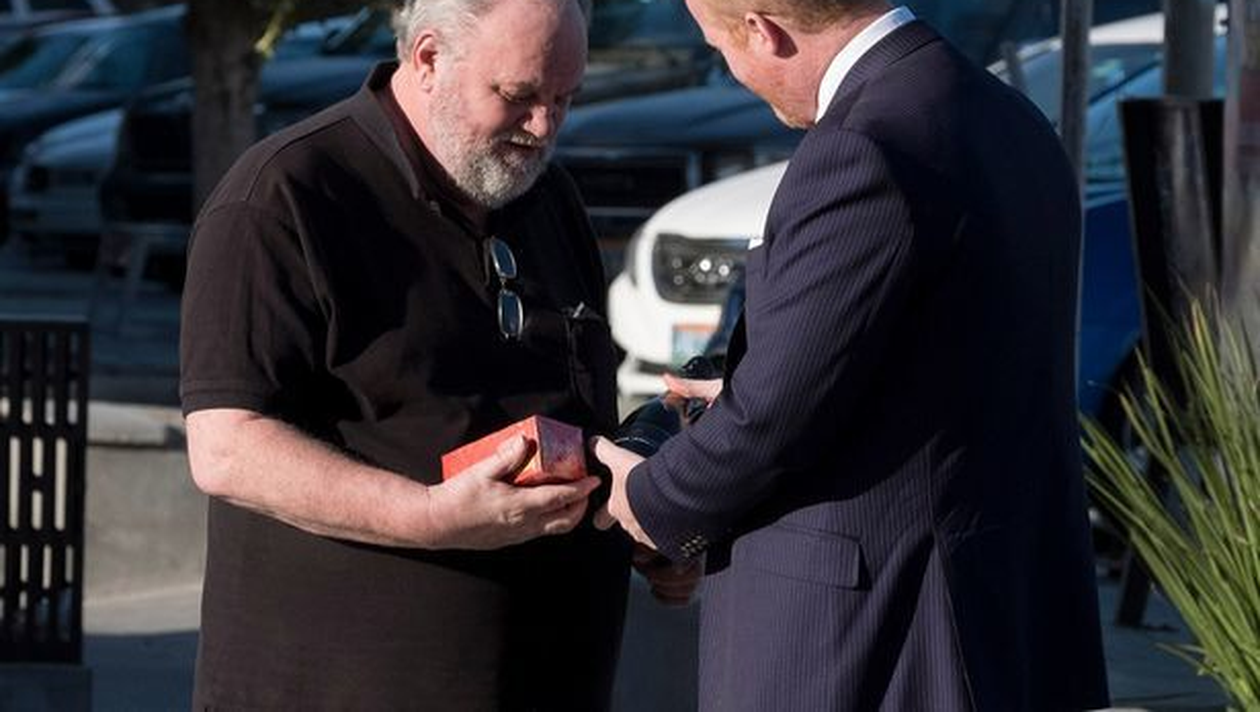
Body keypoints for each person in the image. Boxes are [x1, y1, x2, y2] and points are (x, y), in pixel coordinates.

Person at [593, 0, 1112, 709]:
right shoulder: (1001, 110)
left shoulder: (864, 146)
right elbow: (928, 353)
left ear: (762, 30)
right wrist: (750, 383)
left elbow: (769, 422)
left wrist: (650, 494)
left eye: (720, 48)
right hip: (992, 603)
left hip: (882, 634)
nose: (733, 70)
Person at [179, 0, 695, 708]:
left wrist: (640, 519)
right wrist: (428, 515)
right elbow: (227, 448)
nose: (543, 126)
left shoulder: (545, 193)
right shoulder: (284, 195)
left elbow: (567, 416)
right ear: (427, 58)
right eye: (517, 95)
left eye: (564, 98)